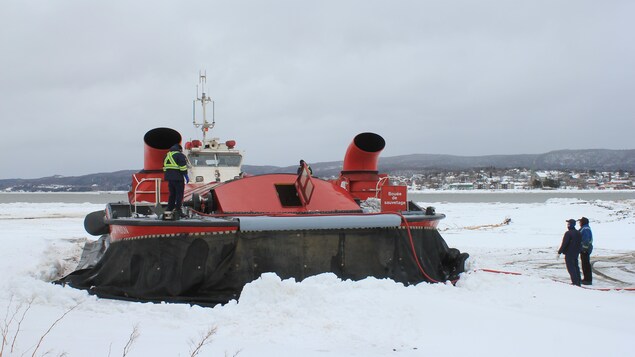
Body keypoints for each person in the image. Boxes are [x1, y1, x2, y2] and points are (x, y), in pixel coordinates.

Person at [163, 144, 189, 219]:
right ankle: (178, 210)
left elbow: (164, 168)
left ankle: (169, 209)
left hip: (170, 179)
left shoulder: (166, 156)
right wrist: (186, 176)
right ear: (179, 149)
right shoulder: (179, 155)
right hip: (178, 179)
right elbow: (183, 167)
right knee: (179, 195)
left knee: (172, 195)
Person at [558, 219, 582, 286]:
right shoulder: (578, 232)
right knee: (576, 266)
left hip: (569, 252)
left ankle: (575, 282)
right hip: (576, 252)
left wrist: (559, 252)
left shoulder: (568, 233)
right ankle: (578, 280)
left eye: (568, 224)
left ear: (571, 225)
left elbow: (564, 243)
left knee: (571, 267)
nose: (567, 225)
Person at [578, 217, 593, 285]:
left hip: (585, 250)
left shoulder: (585, 229)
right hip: (585, 249)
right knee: (585, 264)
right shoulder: (585, 228)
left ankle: (588, 280)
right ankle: (586, 278)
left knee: (586, 264)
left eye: (580, 222)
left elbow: (586, 240)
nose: (579, 223)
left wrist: (584, 248)